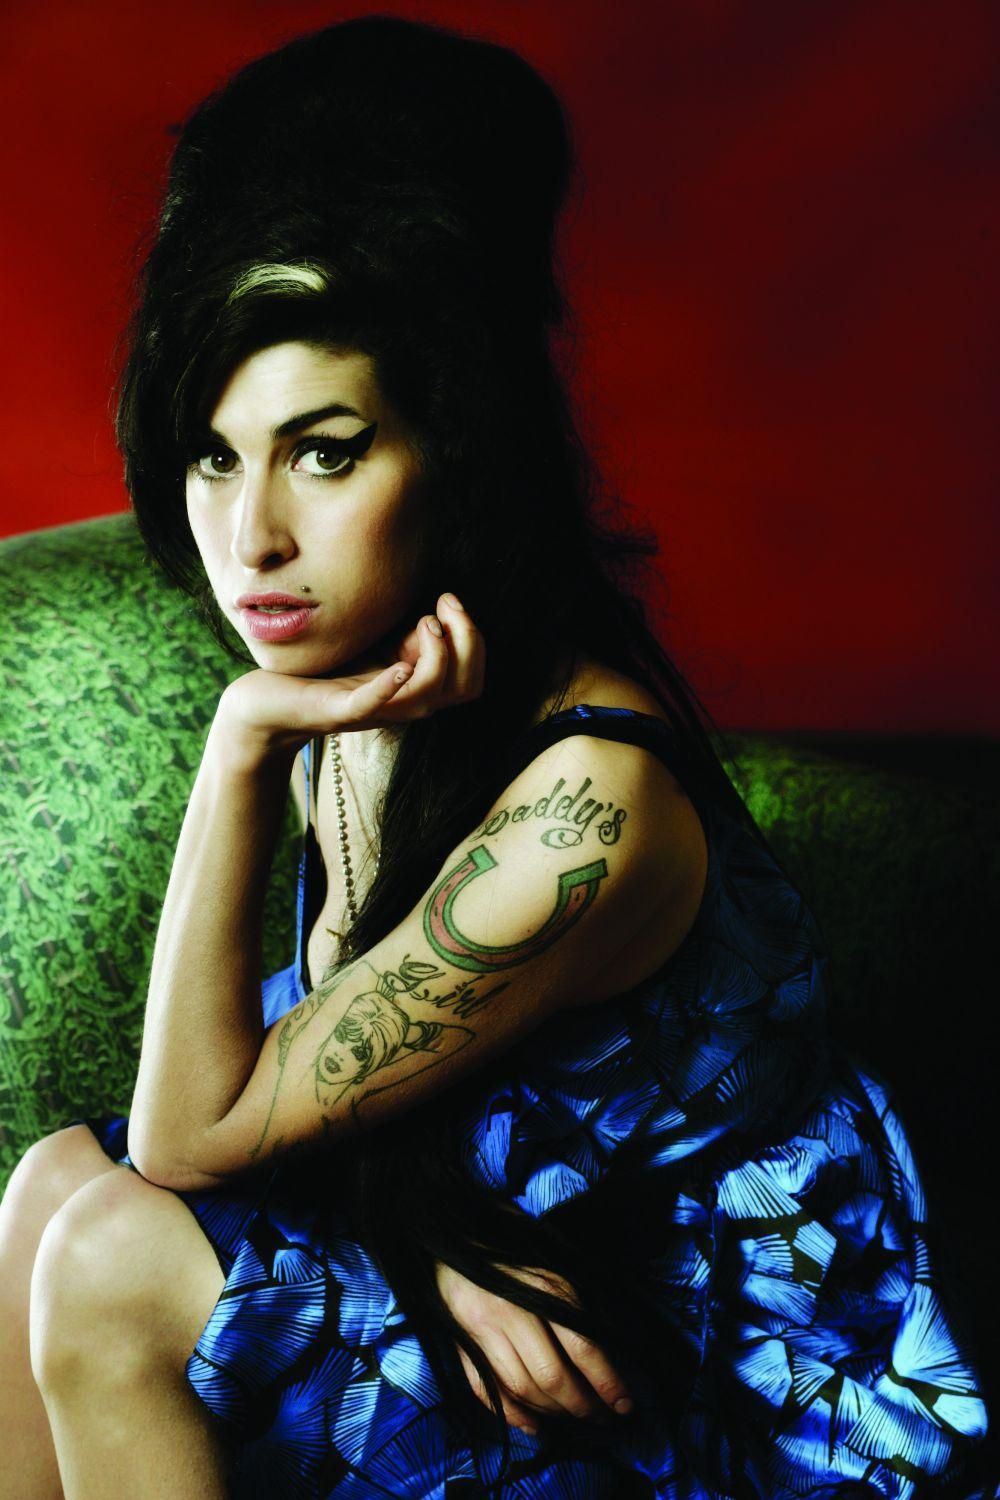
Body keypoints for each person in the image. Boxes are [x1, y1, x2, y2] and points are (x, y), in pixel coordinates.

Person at [0, 14, 989, 1499]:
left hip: (687, 1388)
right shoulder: (374, 685)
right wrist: (430, 1242)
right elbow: (303, 1078)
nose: (252, 536)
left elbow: (193, 1135)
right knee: (50, 1189)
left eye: (326, 451)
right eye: (215, 454)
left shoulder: (586, 806)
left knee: (114, 1257)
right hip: (516, 1266)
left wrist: (236, 749)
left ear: (453, 453)